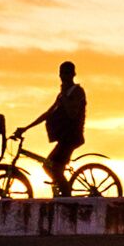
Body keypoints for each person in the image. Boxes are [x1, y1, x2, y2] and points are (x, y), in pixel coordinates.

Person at [39, 61, 89, 196]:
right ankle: (62, 188)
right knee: (48, 165)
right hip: (64, 137)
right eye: (62, 72)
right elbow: (48, 113)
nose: (64, 75)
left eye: (67, 72)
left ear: (73, 74)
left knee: (54, 167)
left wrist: (64, 96)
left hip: (72, 136)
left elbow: (72, 113)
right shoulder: (62, 95)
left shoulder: (77, 91)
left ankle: (67, 197)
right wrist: (26, 128)